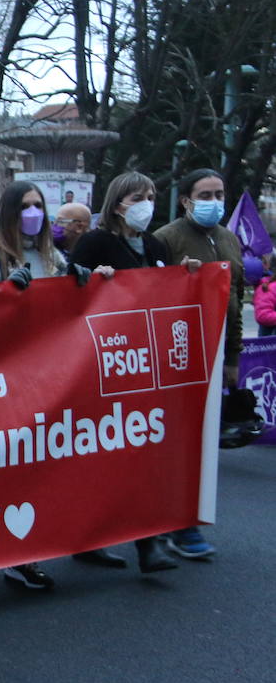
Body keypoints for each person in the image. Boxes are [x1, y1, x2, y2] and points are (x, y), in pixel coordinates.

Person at [0, 180, 111, 590]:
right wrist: (3, 292)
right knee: (6, 471)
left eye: (39, 206)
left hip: (52, 376)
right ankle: (3, 551)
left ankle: (28, 553)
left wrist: (93, 281)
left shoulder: (54, 256)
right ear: (10, 213)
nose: (33, 214)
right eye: (26, 207)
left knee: (40, 470)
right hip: (8, 379)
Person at [70, 171, 204, 574]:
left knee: (146, 456)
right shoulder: (96, 242)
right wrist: (93, 282)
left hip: (147, 367)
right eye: (137, 197)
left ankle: (151, 542)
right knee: (105, 460)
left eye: (150, 195)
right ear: (117, 204)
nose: (146, 203)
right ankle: (90, 537)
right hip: (104, 364)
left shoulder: (153, 244)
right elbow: (68, 294)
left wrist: (186, 277)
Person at [153, 168, 242, 561]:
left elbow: (235, 298)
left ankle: (187, 520)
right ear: (186, 200)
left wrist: (234, 355)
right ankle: (175, 524)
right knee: (176, 444)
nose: (214, 201)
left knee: (203, 443)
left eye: (219, 194)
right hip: (177, 353)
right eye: (204, 195)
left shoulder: (228, 239)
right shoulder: (166, 239)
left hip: (217, 350)